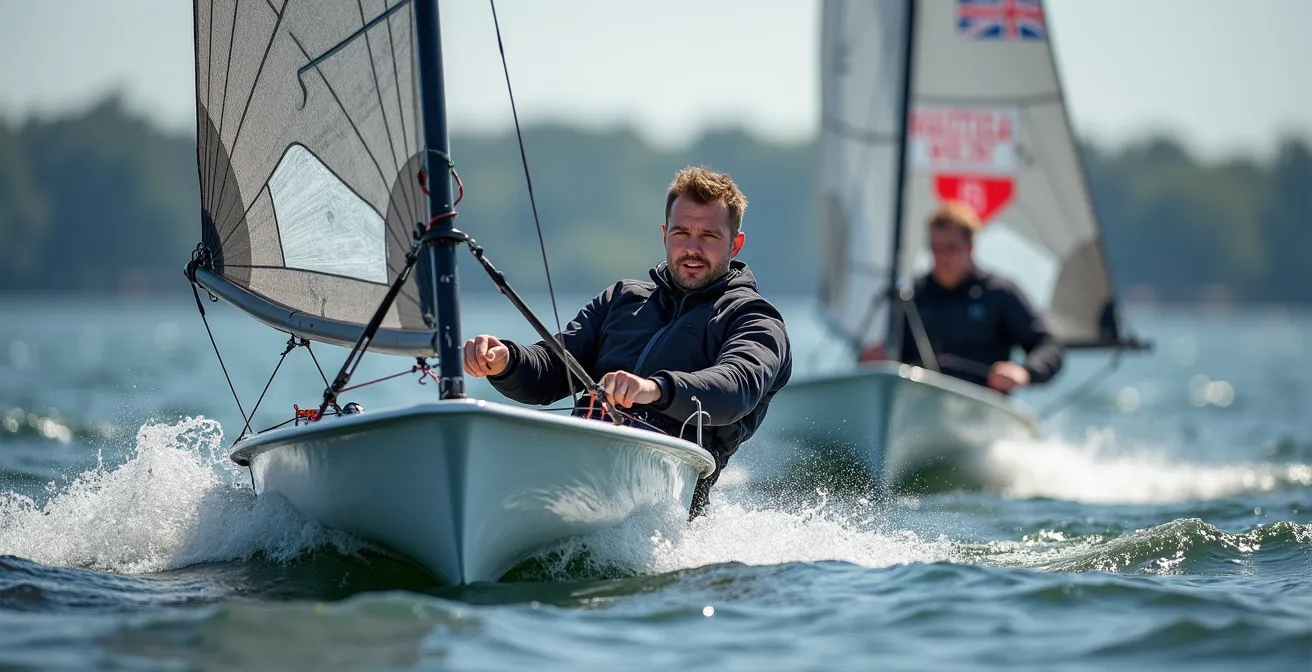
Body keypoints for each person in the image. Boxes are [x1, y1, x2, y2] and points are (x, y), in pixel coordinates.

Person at [462, 166, 793, 518]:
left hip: (668, 503)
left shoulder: (755, 320)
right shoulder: (621, 300)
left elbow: (734, 389)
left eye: (709, 236)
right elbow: (552, 371)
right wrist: (505, 360)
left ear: (735, 243)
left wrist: (655, 389)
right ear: (665, 235)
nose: (692, 249)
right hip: (574, 471)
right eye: (681, 233)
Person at [859, 201, 1064, 394]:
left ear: (970, 246)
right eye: (935, 249)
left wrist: (1025, 372)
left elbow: (1048, 345)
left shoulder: (998, 293)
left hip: (983, 407)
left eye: (951, 248)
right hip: (918, 404)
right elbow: (894, 353)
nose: (943, 258)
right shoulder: (911, 296)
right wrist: (876, 357)